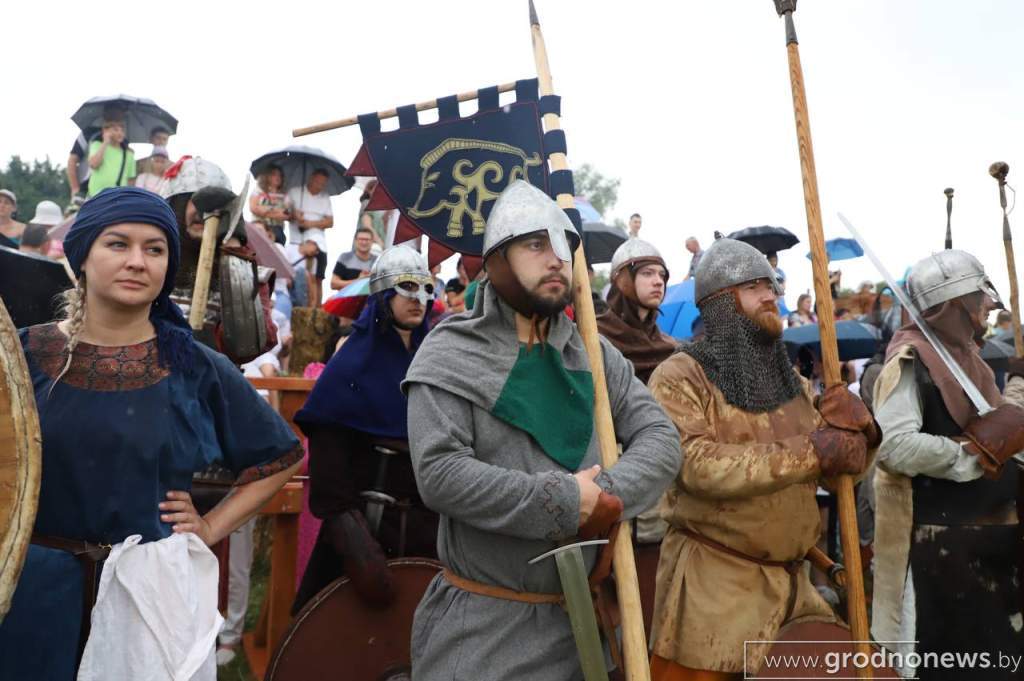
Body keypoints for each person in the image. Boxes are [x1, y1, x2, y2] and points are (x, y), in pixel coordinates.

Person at [0, 187, 303, 680]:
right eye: (118, 244)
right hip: (33, 594)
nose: (137, 262)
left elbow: (281, 457)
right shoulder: (20, 357)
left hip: (146, 597)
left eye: (155, 249)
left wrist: (211, 526)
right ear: (82, 256)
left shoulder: (194, 365)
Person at [403, 180, 680, 680]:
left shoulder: (593, 353)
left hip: (586, 626)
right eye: (535, 244)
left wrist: (603, 497)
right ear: (497, 261)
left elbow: (661, 440)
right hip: (487, 628)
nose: (556, 259)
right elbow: (440, 474)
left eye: (563, 246)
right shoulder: (450, 352)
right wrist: (564, 501)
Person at [647, 237, 877, 680]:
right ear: (719, 302)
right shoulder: (679, 376)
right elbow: (696, 467)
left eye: (770, 285)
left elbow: (838, 474)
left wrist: (863, 435)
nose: (770, 295)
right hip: (715, 595)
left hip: (794, 592)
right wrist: (812, 450)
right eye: (753, 287)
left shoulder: (790, 381)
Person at [870, 250, 1024, 680]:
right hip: (939, 551)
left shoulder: (968, 359)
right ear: (954, 304)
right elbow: (894, 446)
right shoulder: (910, 361)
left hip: (991, 547)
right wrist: (971, 456)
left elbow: (1001, 433)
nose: (988, 305)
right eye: (978, 296)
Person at [292, 245, 437, 613]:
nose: (418, 299)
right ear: (384, 295)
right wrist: (357, 548)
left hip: (429, 532)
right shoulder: (350, 367)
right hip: (365, 532)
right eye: (407, 287)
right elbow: (329, 479)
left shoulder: (435, 363)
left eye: (426, 288)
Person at [597, 238, 676, 385]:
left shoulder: (669, 347)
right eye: (647, 273)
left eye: (662, 275)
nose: (659, 281)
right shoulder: (596, 336)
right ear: (624, 280)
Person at [287, 169, 334, 304]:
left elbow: (330, 222)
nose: (319, 186)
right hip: (296, 241)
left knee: (317, 278)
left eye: (323, 183)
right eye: (318, 182)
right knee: (297, 276)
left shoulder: (325, 197)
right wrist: (295, 215)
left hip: (319, 242)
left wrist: (310, 224)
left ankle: (316, 309)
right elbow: (286, 211)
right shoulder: (294, 192)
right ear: (311, 178)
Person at [86, 114, 136, 196]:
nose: (120, 133)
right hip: (96, 194)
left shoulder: (129, 154)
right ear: (105, 131)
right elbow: (94, 164)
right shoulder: (97, 145)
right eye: (116, 130)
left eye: (122, 130)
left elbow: (131, 180)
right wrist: (105, 142)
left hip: (118, 196)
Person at [249, 164, 292, 246]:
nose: (277, 177)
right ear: (267, 176)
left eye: (280, 175)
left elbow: (287, 214)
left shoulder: (284, 195)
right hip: (258, 226)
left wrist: (264, 210)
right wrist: (276, 211)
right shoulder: (258, 191)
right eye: (274, 174)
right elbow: (253, 208)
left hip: (277, 230)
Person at [331, 226, 377, 291]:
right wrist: (358, 281)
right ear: (355, 240)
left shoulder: (377, 261)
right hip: (348, 296)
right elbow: (333, 284)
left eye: (367, 239)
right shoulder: (345, 257)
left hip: (370, 296)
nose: (364, 242)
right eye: (361, 239)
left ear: (372, 241)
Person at [67, 126, 100, 202]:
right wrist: (75, 188)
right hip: (85, 189)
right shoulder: (88, 133)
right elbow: (72, 160)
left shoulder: (122, 140)